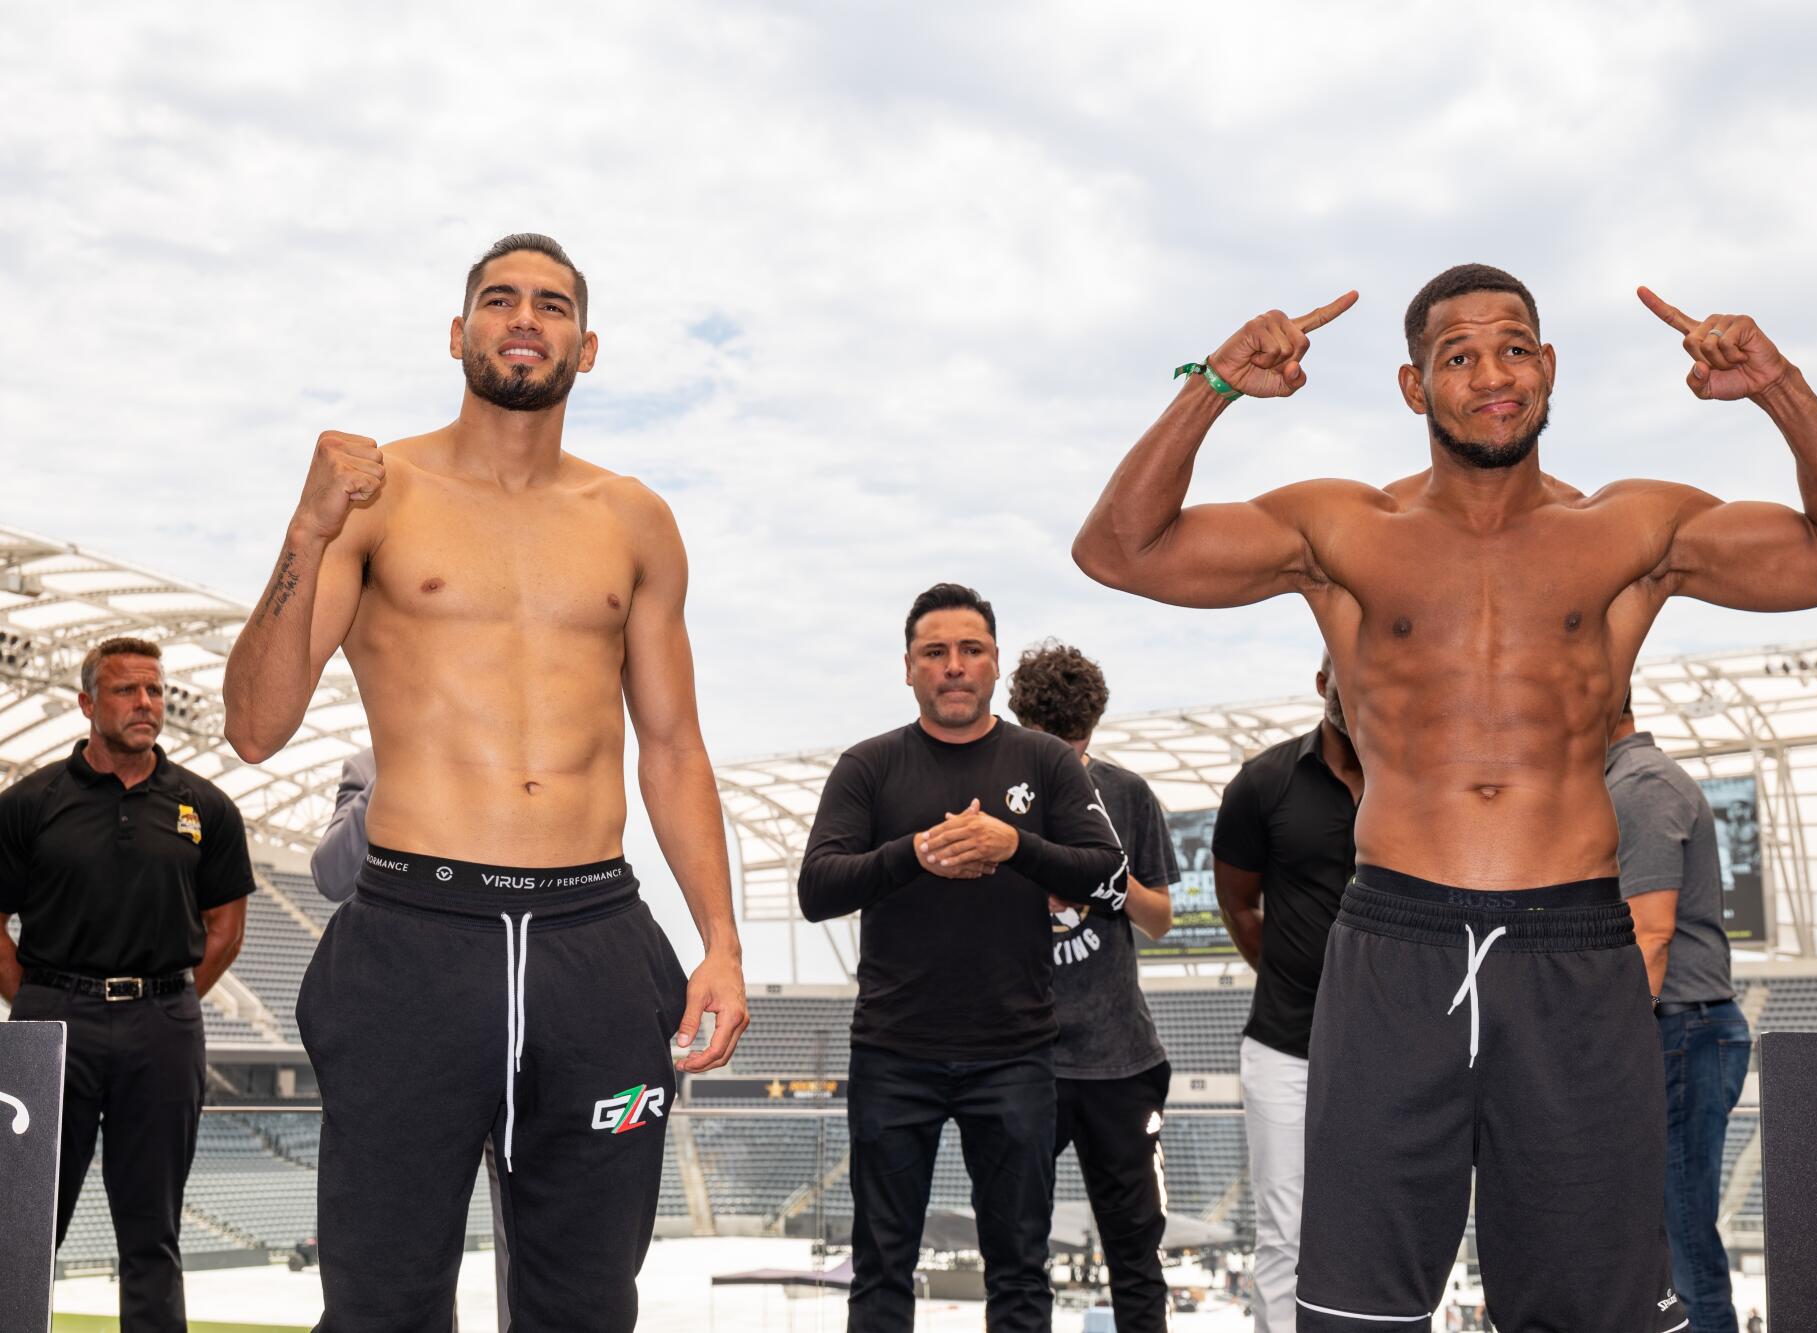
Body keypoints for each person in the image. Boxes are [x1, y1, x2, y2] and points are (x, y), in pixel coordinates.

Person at [1073, 264, 1817, 1330]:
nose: (1490, 374)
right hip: (1394, 943)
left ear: (1547, 367)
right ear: (1411, 386)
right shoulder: (1342, 529)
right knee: (1355, 1309)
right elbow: (1118, 549)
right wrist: (1215, 386)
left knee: (1586, 1309)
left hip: (1571, 946)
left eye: (1513, 347)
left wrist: (1775, 386)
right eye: (1456, 356)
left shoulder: (1629, 529)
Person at [222, 233, 748, 1333]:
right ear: (457, 332)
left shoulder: (635, 519)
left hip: (593, 940)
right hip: (418, 934)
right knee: (381, 1303)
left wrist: (722, 942)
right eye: (498, 299)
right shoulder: (376, 494)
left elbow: (673, 747)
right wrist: (306, 530)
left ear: (585, 346)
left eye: (550, 305)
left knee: (586, 1303)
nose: (524, 318)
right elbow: (257, 725)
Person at [798, 583, 1126, 1333]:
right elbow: (818, 888)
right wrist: (914, 852)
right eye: (935, 652)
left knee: (1019, 1267)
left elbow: (1108, 875)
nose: (953, 665)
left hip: (1014, 1052)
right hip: (894, 1050)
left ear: (995, 664)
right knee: (881, 1265)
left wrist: (1018, 847)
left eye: (970, 650)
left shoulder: (1043, 761)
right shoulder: (869, 766)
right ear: (908, 668)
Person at [0, 636, 253, 1333]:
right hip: (54, 1022)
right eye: (126, 690)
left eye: (155, 689)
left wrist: (164, 1003)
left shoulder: (206, 807)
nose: (147, 702)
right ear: (87, 702)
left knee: (152, 1234)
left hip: (162, 1025)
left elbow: (226, 927)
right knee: (24, 1225)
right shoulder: (30, 802)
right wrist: (40, 999)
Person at [1009, 640, 1179, 1333]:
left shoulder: (1128, 793)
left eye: (1076, 749)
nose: (1068, 764)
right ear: (1022, 726)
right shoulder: (992, 796)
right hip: (1023, 1056)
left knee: (1136, 1255)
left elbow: (1162, 918)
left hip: (1119, 1059)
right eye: (1054, 748)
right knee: (1015, 1255)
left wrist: (1111, 885)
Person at [310, 748, 511, 1333]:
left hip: (522, 1009)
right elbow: (332, 875)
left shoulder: (532, 746)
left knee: (533, 1251)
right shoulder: (369, 762)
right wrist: (399, 760)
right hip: (409, 1028)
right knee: (402, 1255)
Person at [1210, 654, 1361, 1333]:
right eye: (1345, 673)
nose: (1358, 687)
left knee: (1392, 1227)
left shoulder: (1423, 781)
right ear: (1323, 682)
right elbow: (1241, 908)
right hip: (1284, 1045)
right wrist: (1299, 977)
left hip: (1399, 1048)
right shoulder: (1263, 782)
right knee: (1284, 1234)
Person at [1607, 694, 1749, 1333]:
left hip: (1678, 1025)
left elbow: (1651, 932)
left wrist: (1612, 1042)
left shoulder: (1640, 785)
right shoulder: (1627, 782)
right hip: (1678, 1023)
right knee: (1667, 1233)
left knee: (1683, 1233)